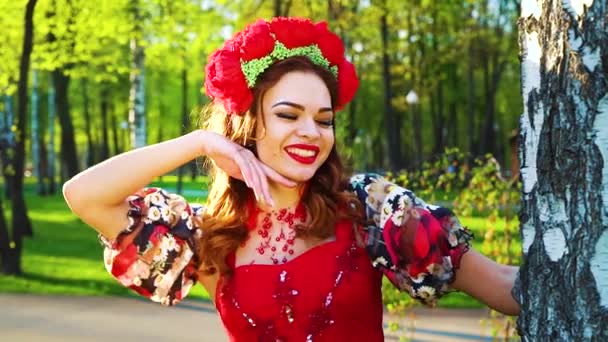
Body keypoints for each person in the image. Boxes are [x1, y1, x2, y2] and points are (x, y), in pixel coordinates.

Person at [63, 17, 519, 341]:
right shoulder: (209, 240)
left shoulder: (367, 210)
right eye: (288, 114)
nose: (311, 132)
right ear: (249, 125)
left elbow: (501, 286)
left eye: (324, 119)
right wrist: (201, 142)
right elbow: (83, 195)